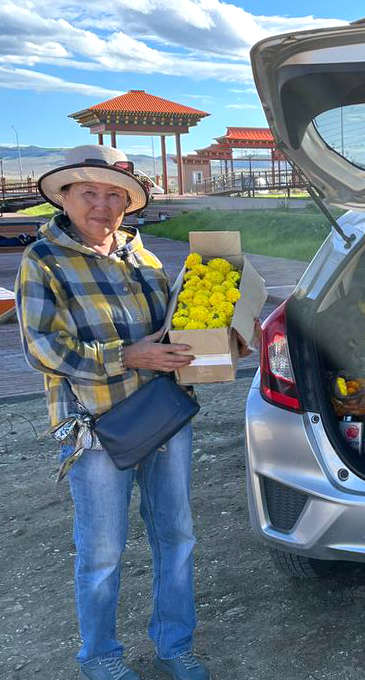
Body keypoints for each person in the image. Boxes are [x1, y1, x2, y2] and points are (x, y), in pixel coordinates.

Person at [15, 145, 252, 680]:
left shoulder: (143, 259)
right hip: (97, 427)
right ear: (66, 197)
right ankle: (100, 658)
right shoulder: (44, 260)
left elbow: (174, 334)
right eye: (89, 193)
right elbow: (43, 351)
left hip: (165, 417)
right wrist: (129, 355)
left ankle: (175, 646)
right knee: (101, 551)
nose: (102, 205)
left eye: (114, 196)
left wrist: (224, 342)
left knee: (177, 535)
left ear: (128, 203)